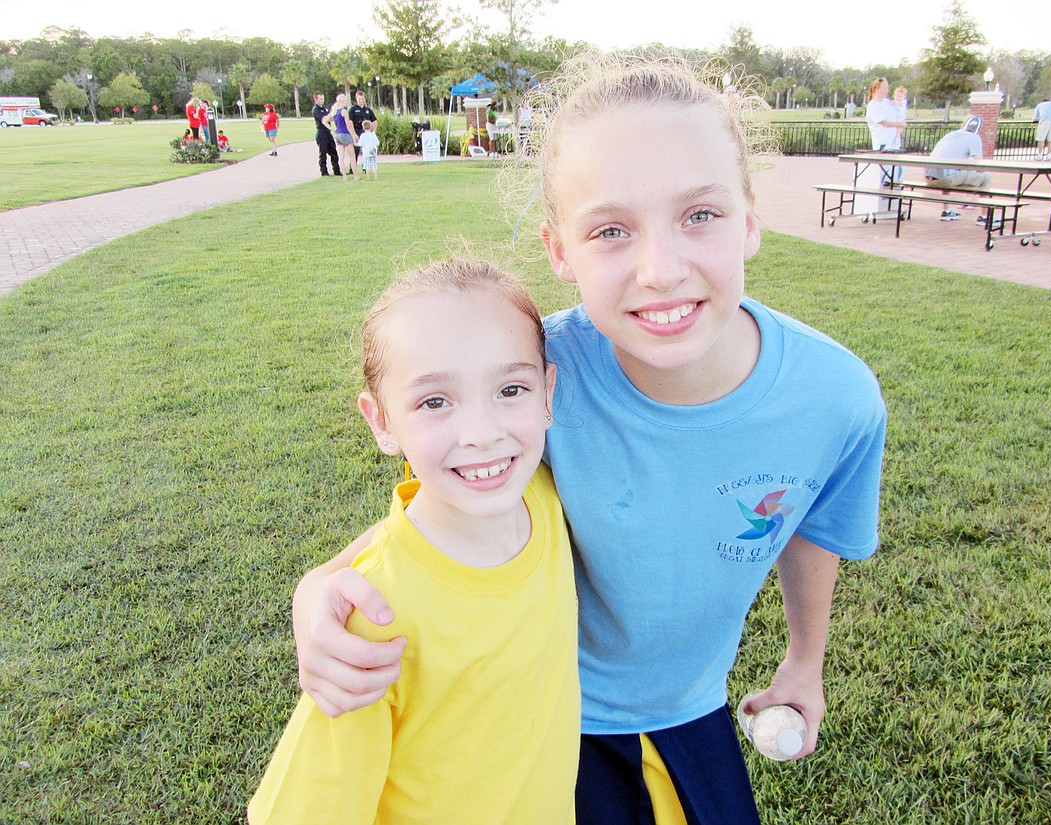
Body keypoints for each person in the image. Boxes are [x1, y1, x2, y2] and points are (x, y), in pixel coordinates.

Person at [291, 52, 887, 825]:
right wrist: (317, 590)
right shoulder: (532, 377)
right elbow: (440, 511)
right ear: (559, 250)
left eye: (699, 214)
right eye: (610, 229)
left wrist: (804, 662)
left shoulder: (836, 398)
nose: (661, 269)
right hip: (544, 717)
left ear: (750, 217)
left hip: (691, 705)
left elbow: (813, 523)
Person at [248, 259, 578, 824]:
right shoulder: (371, 617)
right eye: (434, 401)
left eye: (510, 388)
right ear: (381, 421)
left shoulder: (543, 492)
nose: (482, 434)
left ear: (547, 391)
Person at [924, 116, 998, 227]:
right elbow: (979, 163)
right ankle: (984, 217)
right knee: (986, 178)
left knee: (948, 171)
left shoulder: (950, 135)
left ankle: (947, 211)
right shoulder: (974, 137)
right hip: (945, 179)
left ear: (963, 125)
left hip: (929, 177)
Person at [865, 78, 905, 185]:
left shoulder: (887, 102)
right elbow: (884, 122)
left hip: (894, 145)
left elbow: (899, 108)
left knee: (896, 176)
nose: (887, 90)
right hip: (883, 145)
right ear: (877, 89)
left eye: (887, 88)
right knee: (885, 176)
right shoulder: (873, 105)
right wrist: (900, 124)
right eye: (884, 88)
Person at [324, 93, 361, 180]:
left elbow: (325, 121)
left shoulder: (335, 111)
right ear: (342, 101)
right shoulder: (344, 111)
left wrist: (333, 129)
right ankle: (355, 175)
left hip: (338, 134)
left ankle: (344, 176)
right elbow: (348, 125)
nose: (347, 103)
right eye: (346, 101)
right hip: (345, 134)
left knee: (341, 156)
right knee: (352, 156)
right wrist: (354, 136)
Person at [311, 91, 341, 177]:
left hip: (328, 133)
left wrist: (334, 113)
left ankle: (336, 170)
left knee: (334, 152)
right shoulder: (316, 110)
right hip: (321, 133)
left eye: (323, 99)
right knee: (323, 153)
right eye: (320, 99)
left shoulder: (325, 109)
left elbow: (330, 119)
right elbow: (324, 119)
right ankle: (324, 172)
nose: (322, 100)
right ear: (316, 99)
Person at [349, 89, 377, 163]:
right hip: (357, 131)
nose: (361, 100)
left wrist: (373, 131)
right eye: (359, 99)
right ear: (356, 99)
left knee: (366, 150)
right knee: (355, 151)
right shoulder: (353, 109)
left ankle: (366, 167)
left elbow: (374, 120)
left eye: (362, 99)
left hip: (366, 132)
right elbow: (350, 122)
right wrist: (354, 134)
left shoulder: (367, 110)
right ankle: (352, 168)